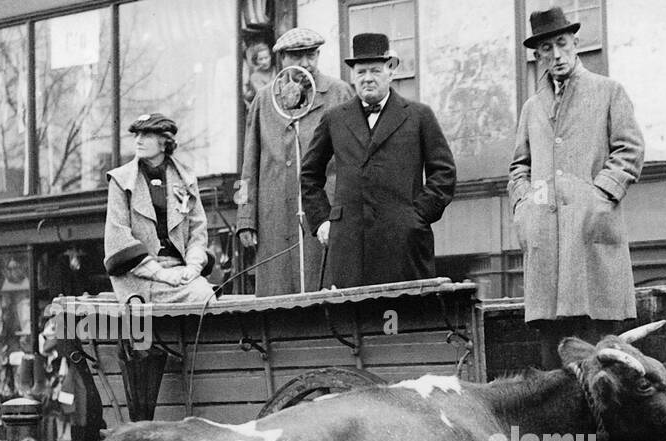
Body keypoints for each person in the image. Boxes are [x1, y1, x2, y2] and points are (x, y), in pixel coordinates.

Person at [508, 6, 645, 368]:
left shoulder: (609, 92)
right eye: (546, 48)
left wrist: (599, 198)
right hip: (546, 260)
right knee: (554, 371)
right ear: (538, 55)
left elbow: (630, 150)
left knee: (600, 366)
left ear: (575, 43)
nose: (555, 54)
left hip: (592, 253)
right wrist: (524, 208)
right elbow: (519, 167)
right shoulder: (532, 108)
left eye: (562, 43)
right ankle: (564, 430)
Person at [301, 33, 456, 290]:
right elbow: (309, 174)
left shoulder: (419, 116)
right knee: (356, 322)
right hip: (350, 246)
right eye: (361, 72)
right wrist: (322, 222)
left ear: (390, 72)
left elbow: (444, 174)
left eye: (375, 70)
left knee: (405, 319)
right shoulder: (334, 119)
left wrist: (416, 217)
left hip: (404, 244)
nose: (368, 78)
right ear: (353, 76)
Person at [237, 28, 353, 296]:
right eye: (296, 56)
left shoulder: (338, 94)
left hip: (325, 213)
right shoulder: (264, 100)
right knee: (278, 295)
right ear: (281, 59)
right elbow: (248, 168)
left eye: (311, 55)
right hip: (274, 218)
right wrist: (245, 218)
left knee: (326, 287)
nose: (305, 64)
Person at [104, 113, 215, 305]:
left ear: (165, 142)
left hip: (180, 272)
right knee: (199, 297)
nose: (138, 141)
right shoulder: (120, 180)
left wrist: (193, 268)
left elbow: (198, 232)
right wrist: (162, 274)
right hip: (138, 276)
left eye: (146, 135)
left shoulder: (186, 178)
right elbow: (118, 239)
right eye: (136, 135)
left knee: (206, 297)